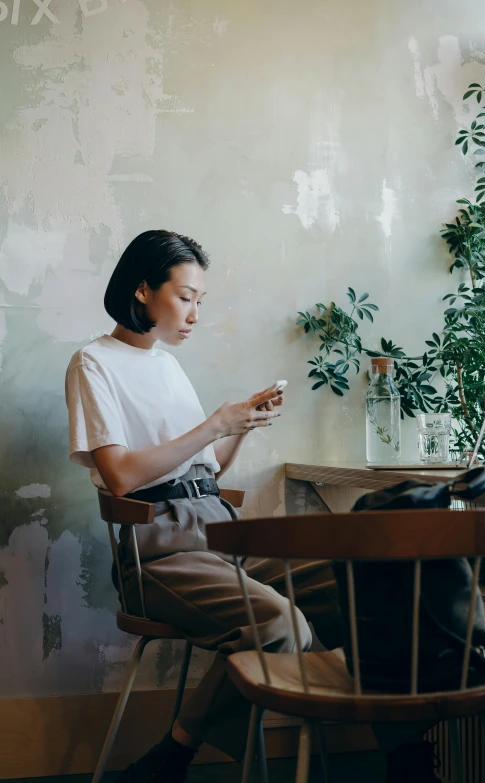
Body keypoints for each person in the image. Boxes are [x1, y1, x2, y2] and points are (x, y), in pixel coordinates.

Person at [65, 230, 346, 783]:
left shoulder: (168, 365)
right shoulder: (93, 362)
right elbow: (121, 477)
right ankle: (175, 753)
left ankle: (404, 755)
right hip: (159, 549)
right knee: (278, 623)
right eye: (186, 297)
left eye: (200, 301)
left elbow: (206, 468)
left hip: (220, 529)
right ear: (143, 291)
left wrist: (240, 425)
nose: (194, 314)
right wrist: (214, 423)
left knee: (357, 584)